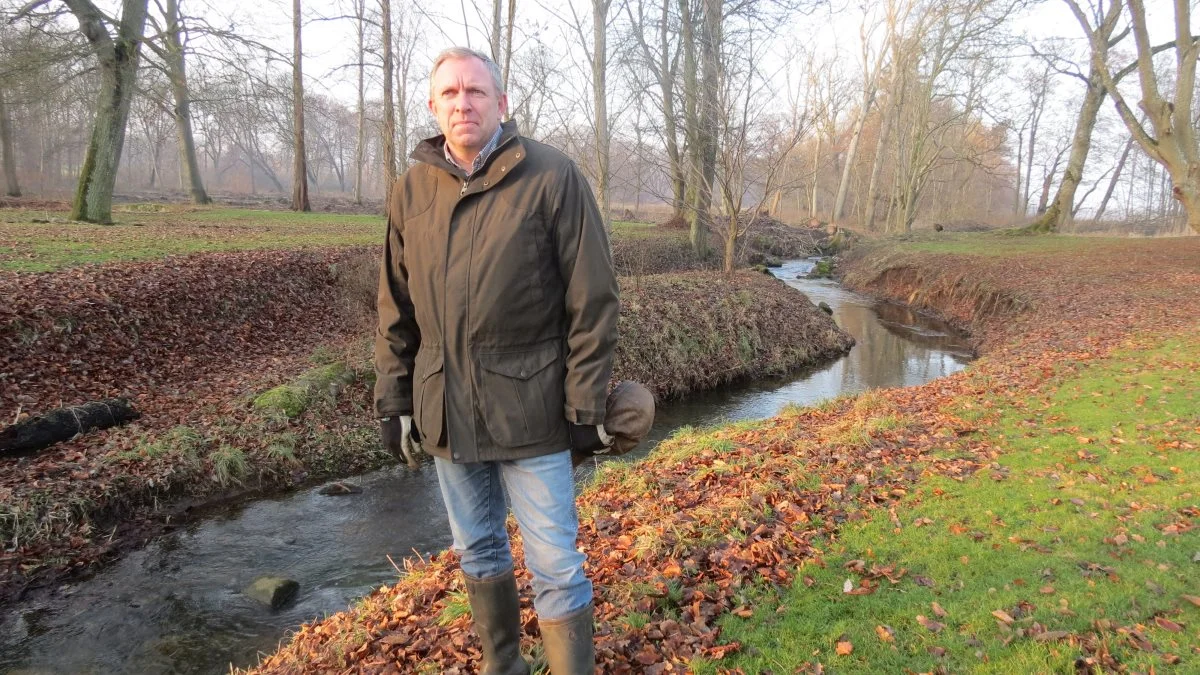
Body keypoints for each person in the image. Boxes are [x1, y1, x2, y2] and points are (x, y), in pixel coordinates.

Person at [373, 46, 619, 675]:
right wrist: (395, 400)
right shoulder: (411, 190)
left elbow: (592, 299)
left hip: (532, 409)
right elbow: (395, 307)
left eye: (477, 92)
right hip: (447, 411)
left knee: (557, 567)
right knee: (478, 551)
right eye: (450, 93)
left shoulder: (552, 175)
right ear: (432, 106)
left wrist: (585, 406)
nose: (464, 103)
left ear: (501, 103)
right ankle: (503, 666)